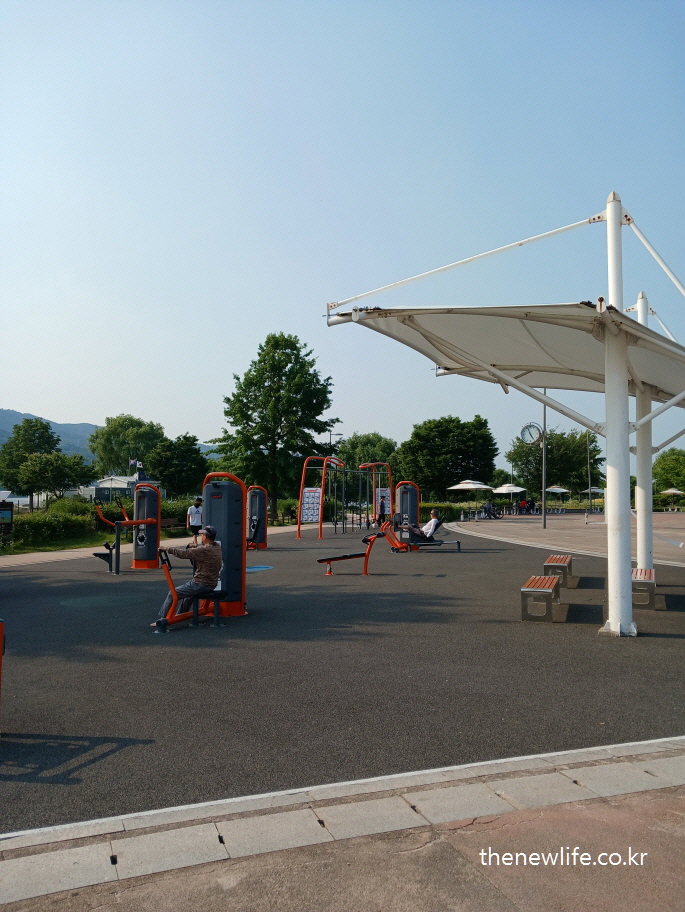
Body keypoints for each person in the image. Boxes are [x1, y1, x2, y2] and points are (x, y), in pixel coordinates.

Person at [155, 525, 222, 623]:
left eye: (202, 534)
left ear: (205, 536)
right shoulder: (217, 547)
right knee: (189, 595)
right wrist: (196, 547)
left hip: (201, 583)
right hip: (212, 583)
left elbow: (184, 554)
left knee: (172, 594)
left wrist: (167, 549)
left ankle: (162, 620)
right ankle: (180, 616)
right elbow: (204, 551)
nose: (201, 536)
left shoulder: (203, 550)